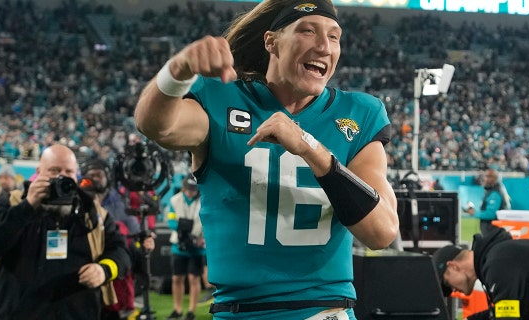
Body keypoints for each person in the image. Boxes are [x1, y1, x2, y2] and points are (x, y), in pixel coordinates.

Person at [134, 0, 399, 318]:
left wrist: (309, 148)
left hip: (325, 310)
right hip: (240, 310)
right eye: (307, 31)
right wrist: (177, 71)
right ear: (271, 41)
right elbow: (155, 126)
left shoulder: (359, 113)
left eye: (333, 36)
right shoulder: (223, 96)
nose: (323, 46)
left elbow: (382, 232)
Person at [0, 144, 132, 320]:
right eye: (54, 170)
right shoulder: (13, 201)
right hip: (15, 312)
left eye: (69, 172)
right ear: (39, 171)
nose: (62, 177)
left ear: (76, 176)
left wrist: (104, 270)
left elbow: (121, 251)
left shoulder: (91, 211)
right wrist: (28, 206)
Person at [80, 158, 156, 320]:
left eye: (99, 175)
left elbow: (133, 230)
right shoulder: (75, 200)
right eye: (91, 174)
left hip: (111, 275)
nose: (94, 179)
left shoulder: (118, 201)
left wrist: (145, 240)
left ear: (108, 178)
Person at [166, 175, 204, 320]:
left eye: (193, 189)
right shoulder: (175, 200)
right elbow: (170, 220)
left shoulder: (203, 201)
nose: (190, 192)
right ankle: (177, 309)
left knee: (194, 278)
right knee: (177, 278)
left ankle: (191, 311)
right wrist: (182, 230)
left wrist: (200, 238)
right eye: (188, 189)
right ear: (184, 188)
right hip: (179, 244)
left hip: (197, 245)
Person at [465, 169, 510, 235]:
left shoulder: (495, 193)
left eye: (488, 176)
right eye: (485, 176)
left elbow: (491, 214)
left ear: (495, 178)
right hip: (496, 230)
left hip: (493, 230)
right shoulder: (496, 189)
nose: (485, 179)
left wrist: (474, 213)